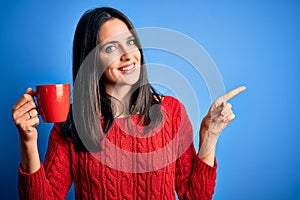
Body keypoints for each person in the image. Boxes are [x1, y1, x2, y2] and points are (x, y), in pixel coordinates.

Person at [12, 7, 246, 200]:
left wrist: (210, 135)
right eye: (111, 48)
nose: (128, 55)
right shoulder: (71, 124)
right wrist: (28, 141)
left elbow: (194, 196)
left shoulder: (172, 112)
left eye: (131, 42)